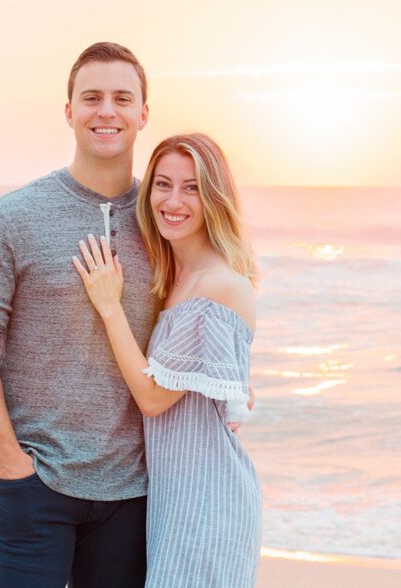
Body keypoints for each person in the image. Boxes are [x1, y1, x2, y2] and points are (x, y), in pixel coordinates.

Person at [0, 42, 156, 588]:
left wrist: (230, 386)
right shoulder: (12, 218)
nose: (105, 111)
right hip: (32, 485)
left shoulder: (166, 222)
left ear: (142, 114)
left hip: (133, 493)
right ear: (69, 112)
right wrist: (10, 459)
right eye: (91, 97)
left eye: (121, 98)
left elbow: (204, 307)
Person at [73, 132, 262, 588]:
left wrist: (109, 306)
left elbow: (154, 399)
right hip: (175, 498)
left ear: (214, 197)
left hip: (208, 502)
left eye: (192, 187)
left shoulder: (220, 284)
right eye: (163, 184)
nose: (173, 200)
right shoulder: (178, 277)